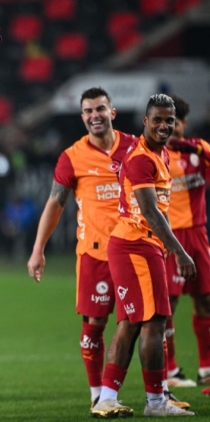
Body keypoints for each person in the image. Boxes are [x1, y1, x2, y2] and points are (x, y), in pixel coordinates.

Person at [27, 87, 138, 407]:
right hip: (94, 254)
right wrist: (38, 249)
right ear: (82, 117)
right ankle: (97, 393)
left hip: (134, 251)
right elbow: (55, 203)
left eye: (100, 109)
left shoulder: (135, 148)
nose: (94, 115)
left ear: (112, 112)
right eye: (88, 111)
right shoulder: (72, 157)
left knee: (141, 322)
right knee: (95, 324)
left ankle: (152, 391)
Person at [90, 94, 196, 418]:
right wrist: (179, 252)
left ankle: (108, 398)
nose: (164, 125)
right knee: (154, 322)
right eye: (158, 119)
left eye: (169, 120)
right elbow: (150, 211)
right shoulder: (141, 159)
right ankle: (155, 402)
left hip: (138, 246)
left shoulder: (158, 153)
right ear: (145, 121)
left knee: (132, 324)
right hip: (136, 246)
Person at [162, 95, 210, 388]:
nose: (170, 129)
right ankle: (170, 370)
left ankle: (206, 367)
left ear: (184, 124)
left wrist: (194, 147)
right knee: (169, 303)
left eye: (175, 123)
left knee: (204, 299)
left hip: (198, 234)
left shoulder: (199, 151)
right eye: (165, 123)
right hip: (171, 236)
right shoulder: (155, 155)